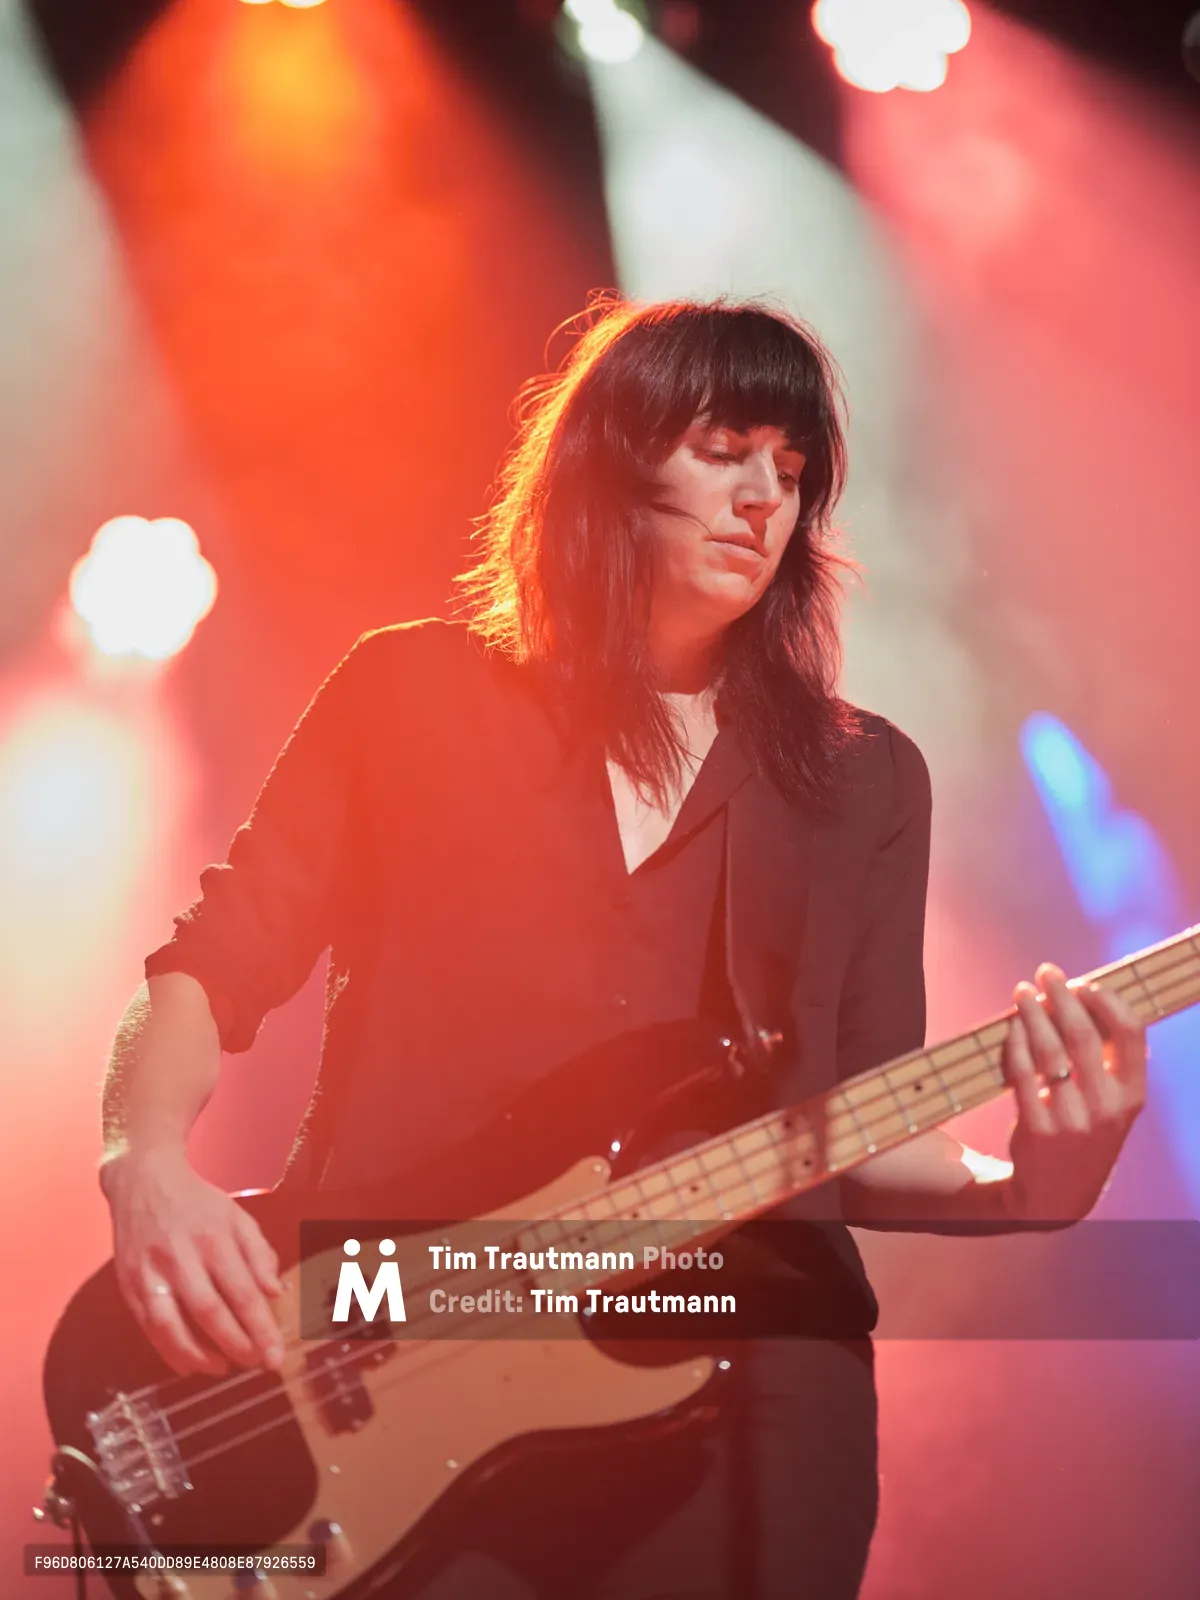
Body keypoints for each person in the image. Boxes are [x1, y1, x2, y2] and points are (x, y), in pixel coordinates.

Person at [98, 298, 1148, 1599]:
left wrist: (1042, 1179)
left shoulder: (862, 779)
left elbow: (859, 1135)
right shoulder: (410, 694)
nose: (765, 497)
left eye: (793, 467)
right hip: (403, 1341)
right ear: (608, 462)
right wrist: (141, 1157)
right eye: (725, 446)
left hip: (750, 1366)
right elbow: (210, 962)